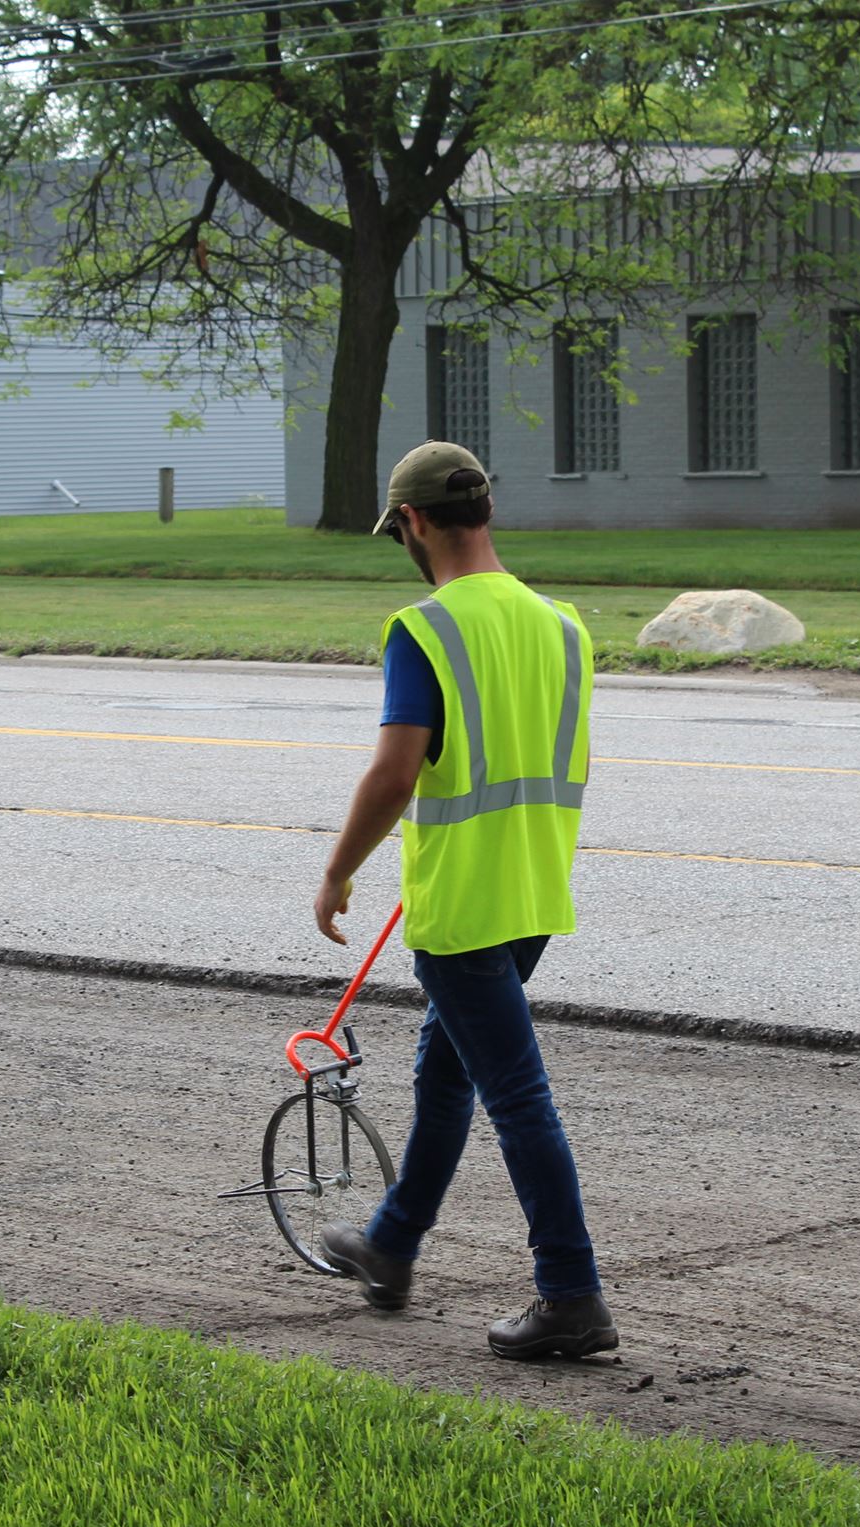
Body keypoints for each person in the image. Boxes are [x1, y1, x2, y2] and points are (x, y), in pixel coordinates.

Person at [311, 440, 615, 1361]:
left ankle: (571, 1293)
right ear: (486, 508)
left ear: (412, 522)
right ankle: (391, 1243)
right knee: (446, 1073)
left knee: (518, 1097)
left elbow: (396, 771)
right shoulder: (561, 625)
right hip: (533, 895)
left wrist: (337, 871)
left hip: (462, 907)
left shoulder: (426, 629)